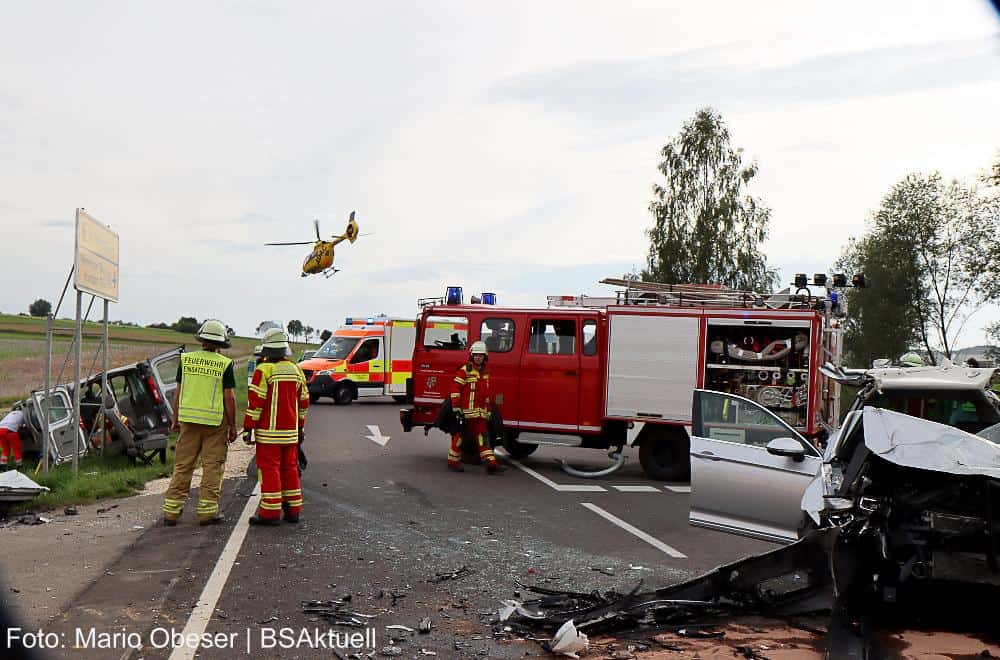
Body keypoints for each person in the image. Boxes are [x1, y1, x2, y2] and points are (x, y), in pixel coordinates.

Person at [162, 319, 237, 527]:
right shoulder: (225, 364)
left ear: (201, 340)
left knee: (183, 465)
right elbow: (229, 398)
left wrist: (175, 419)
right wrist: (232, 426)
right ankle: (207, 513)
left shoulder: (186, 361)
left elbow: (178, 393)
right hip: (214, 423)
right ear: (221, 344)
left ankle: (171, 512)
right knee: (212, 466)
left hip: (188, 422)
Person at [243, 330, 309, 525]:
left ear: (267, 350)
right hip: (290, 434)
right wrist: (300, 428)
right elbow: (304, 402)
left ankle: (270, 513)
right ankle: (293, 510)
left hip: (269, 435)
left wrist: (248, 427)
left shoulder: (264, 371)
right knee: (289, 469)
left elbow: (255, 403)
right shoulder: (296, 370)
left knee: (270, 469)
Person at [448, 341, 503, 474]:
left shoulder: (485, 373)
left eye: (481, 355)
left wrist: (489, 411)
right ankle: (453, 461)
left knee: (483, 438)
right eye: (476, 355)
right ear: (471, 356)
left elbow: (487, 394)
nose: (478, 357)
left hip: (480, 415)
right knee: (461, 437)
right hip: (466, 414)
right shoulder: (465, 371)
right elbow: (455, 389)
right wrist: (456, 407)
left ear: (485, 357)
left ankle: (491, 463)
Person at [0, 406, 25, 470]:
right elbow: (24, 425)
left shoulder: (10, 414)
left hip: (1, 430)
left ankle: (2, 465)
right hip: (10, 431)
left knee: (5, 449)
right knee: (17, 449)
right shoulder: (22, 413)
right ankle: (19, 466)